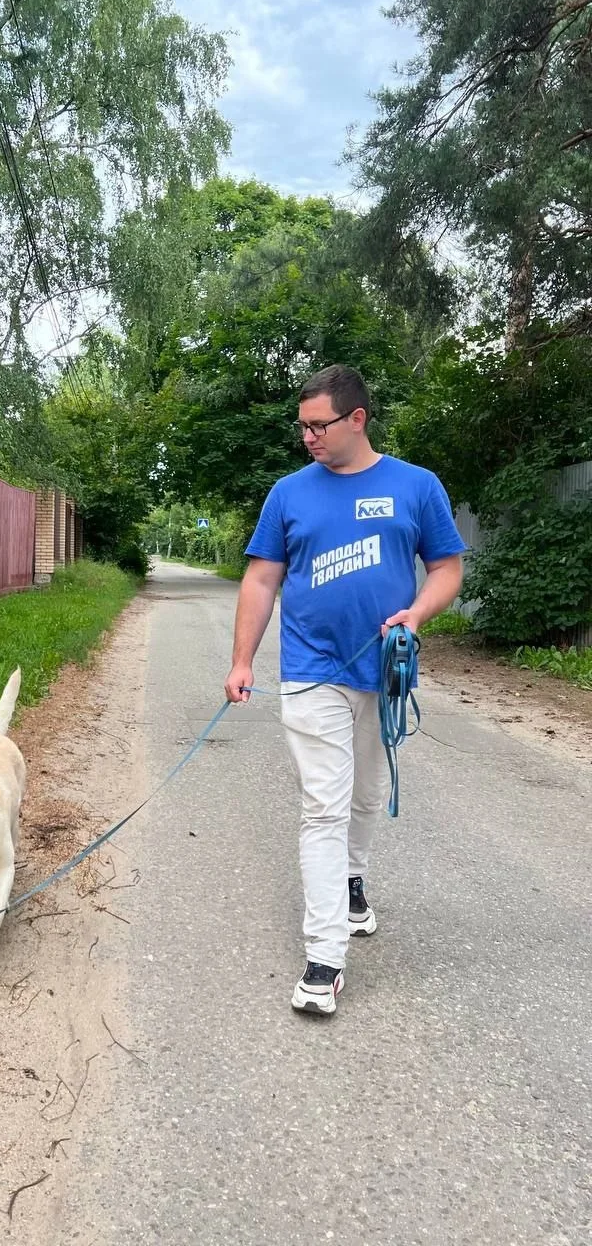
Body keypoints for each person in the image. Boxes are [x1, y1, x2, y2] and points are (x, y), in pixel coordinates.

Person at [224, 364, 465, 1015]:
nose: (307, 437)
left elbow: (447, 568)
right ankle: (325, 956)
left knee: (368, 793)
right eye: (301, 426)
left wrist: (416, 613)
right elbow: (260, 581)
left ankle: (353, 882)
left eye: (318, 424)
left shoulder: (416, 487)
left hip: (386, 671)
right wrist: (243, 659)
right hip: (311, 674)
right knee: (323, 807)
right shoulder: (288, 494)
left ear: (356, 419)